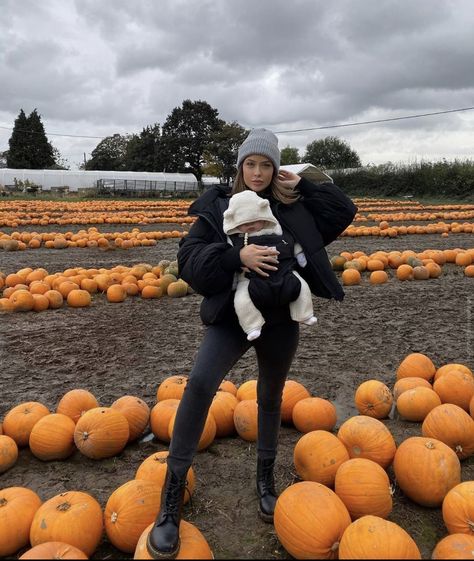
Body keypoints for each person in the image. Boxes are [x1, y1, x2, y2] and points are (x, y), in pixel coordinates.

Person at [147, 128, 358, 559]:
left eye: (267, 164)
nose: (259, 172)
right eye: (251, 164)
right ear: (240, 166)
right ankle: (171, 496)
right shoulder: (219, 206)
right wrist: (234, 257)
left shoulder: (292, 209)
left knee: (270, 397)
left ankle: (265, 480)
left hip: (280, 316)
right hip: (232, 317)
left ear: (275, 168)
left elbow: (344, 210)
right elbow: (188, 260)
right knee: (201, 385)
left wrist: (303, 184)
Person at [222, 189, 317, 341]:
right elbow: (228, 256)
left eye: (255, 221)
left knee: (302, 286)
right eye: (245, 223)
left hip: (284, 271)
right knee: (241, 299)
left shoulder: (277, 231)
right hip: (250, 278)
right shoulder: (234, 239)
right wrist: (237, 264)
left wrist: (300, 256)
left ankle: (304, 314)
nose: (251, 226)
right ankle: (252, 325)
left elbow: (292, 243)